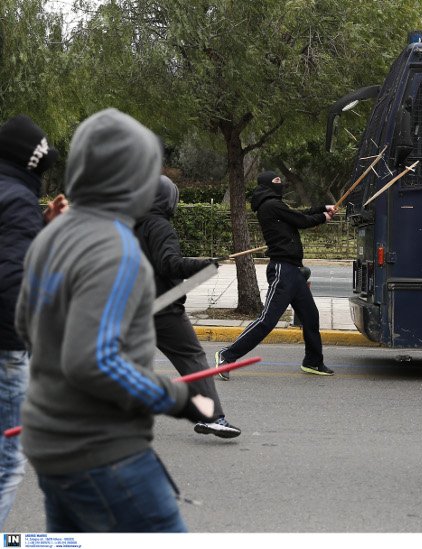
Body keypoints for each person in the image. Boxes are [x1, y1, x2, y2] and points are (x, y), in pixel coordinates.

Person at [14, 108, 214, 532]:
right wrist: (178, 398)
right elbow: (94, 362)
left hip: (49, 446)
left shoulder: (51, 234)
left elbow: (24, 324)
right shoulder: (116, 250)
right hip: (104, 453)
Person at [135, 175, 241, 438]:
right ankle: (212, 418)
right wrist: (204, 265)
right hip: (161, 307)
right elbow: (168, 264)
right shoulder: (159, 226)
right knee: (191, 358)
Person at [0, 115, 64, 529]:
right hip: (6, 347)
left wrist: (40, 227)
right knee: (7, 464)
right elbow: (13, 281)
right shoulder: (17, 199)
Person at [215, 171, 337, 378]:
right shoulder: (271, 205)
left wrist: (321, 209)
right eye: (277, 183)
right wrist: (322, 217)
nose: (281, 186)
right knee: (267, 320)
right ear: (268, 186)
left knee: (310, 316)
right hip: (283, 270)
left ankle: (313, 362)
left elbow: (299, 216)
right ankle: (227, 355)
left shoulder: (275, 206)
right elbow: (302, 220)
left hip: (294, 271)